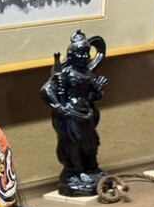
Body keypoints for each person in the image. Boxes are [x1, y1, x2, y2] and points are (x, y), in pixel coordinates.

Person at [40, 30, 108, 196]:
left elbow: (94, 96)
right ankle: (77, 171)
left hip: (86, 113)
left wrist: (98, 90)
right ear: (71, 56)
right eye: (80, 54)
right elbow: (46, 90)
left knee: (91, 142)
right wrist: (58, 107)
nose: (84, 57)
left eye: (86, 53)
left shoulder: (88, 73)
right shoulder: (65, 73)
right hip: (71, 114)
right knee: (74, 144)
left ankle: (92, 167)